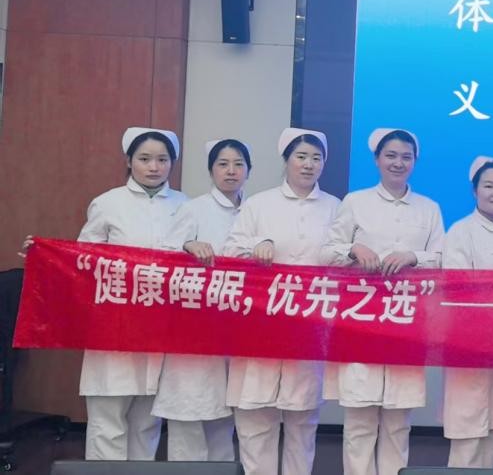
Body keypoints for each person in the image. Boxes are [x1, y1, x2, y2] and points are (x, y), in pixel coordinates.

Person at [321, 127, 445, 475]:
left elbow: (443, 259)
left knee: (397, 424)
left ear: (415, 161)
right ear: (377, 159)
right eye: (390, 155)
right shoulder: (355, 202)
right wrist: (353, 249)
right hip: (360, 321)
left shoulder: (429, 208)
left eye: (406, 157)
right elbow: (326, 252)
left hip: (406, 323)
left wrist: (413, 256)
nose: (398, 163)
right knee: (359, 423)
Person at [223, 127, 339, 475]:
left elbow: (342, 257)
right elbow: (230, 250)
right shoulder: (259, 204)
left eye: (316, 158)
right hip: (261, 325)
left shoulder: (335, 207)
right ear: (286, 160)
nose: (309, 165)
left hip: (309, 325)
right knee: (256, 418)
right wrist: (256, 246)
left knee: (302, 421)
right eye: (301, 157)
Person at [75, 127, 187, 460]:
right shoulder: (108, 203)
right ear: (129, 161)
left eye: (162, 160)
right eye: (145, 159)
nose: (154, 167)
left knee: (147, 421)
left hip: (163, 323)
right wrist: (43, 255)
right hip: (115, 323)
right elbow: (82, 259)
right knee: (108, 417)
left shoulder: (186, 205)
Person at [155, 138, 252, 462]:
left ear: (249, 170)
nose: (231, 171)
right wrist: (187, 246)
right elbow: (163, 257)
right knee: (188, 411)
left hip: (238, 325)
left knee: (224, 417)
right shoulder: (193, 208)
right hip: (194, 325)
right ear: (211, 170)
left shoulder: (254, 211)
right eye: (223, 164)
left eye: (238, 164)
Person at [442, 156, 493, 469]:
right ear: (474, 190)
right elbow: (457, 290)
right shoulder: (460, 231)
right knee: (466, 434)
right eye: (489, 186)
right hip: (470, 344)